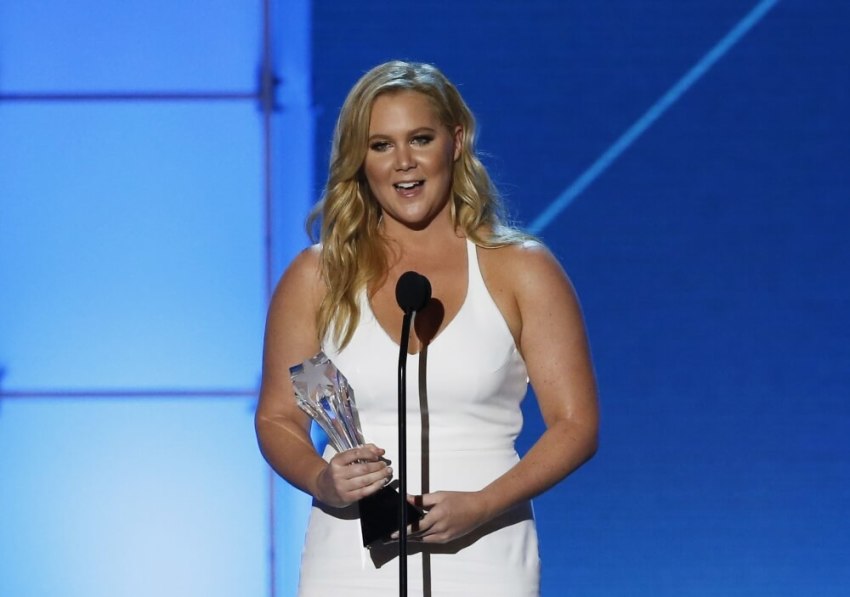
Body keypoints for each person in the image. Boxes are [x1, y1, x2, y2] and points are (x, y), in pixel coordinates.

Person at [255, 60, 598, 596]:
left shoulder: (521, 269)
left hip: (485, 547)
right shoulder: (317, 277)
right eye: (381, 145)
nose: (404, 163)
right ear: (358, 159)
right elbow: (278, 417)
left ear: (455, 142)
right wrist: (324, 480)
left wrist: (482, 504)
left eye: (420, 138)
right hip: (351, 554)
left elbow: (575, 425)